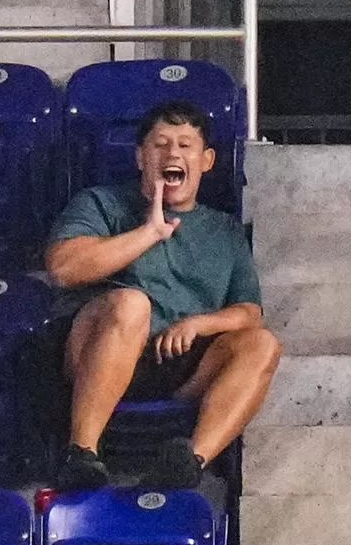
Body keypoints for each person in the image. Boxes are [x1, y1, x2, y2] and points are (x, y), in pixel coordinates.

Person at [45, 99, 282, 491]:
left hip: (180, 365)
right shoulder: (102, 203)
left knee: (262, 343)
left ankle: (190, 463)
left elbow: (249, 312)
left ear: (206, 161)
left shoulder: (223, 230)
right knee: (131, 303)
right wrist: (149, 233)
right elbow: (63, 268)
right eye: (161, 144)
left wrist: (201, 322)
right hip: (99, 351)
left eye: (185, 145)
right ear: (141, 157)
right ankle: (82, 454)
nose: (173, 153)